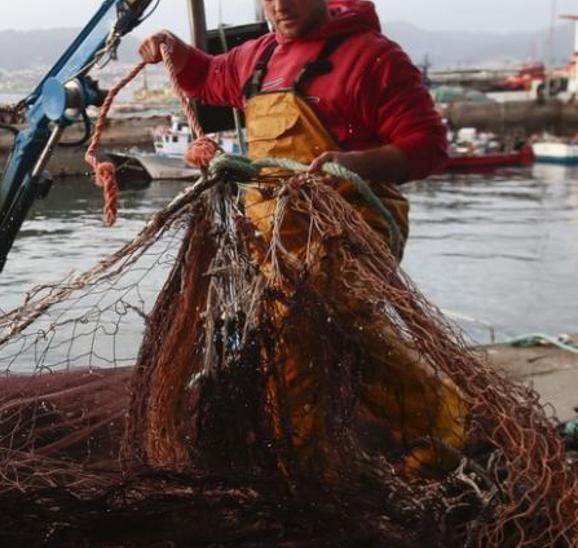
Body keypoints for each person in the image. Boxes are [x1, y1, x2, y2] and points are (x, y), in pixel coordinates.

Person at [138, 0, 464, 474]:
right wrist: (172, 47)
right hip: (275, 233)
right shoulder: (259, 56)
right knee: (303, 342)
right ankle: (314, 464)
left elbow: (429, 146)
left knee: (311, 332)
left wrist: (357, 165)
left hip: (349, 227)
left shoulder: (372, 58)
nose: (280, 5)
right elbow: (206, 77)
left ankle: (430, 429)